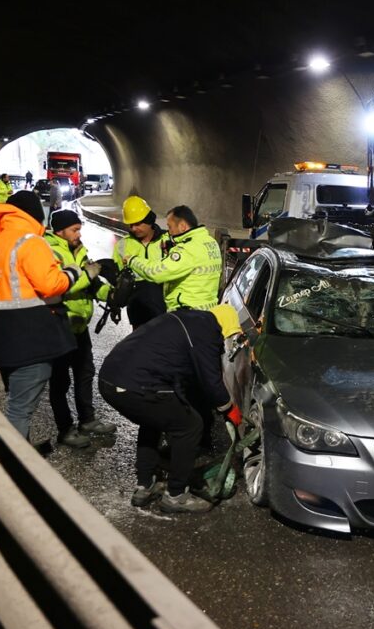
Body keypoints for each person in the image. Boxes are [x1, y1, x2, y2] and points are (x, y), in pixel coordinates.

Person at [0, 190, 101, 441]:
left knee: (16, 400)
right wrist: (75, 272)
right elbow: (50, 285)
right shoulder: (30, 242)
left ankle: (21, 453)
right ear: (34, 214)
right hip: (29, 338)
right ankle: (16, 468)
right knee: (19, 409)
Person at [98, 304, 243, 513]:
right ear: (223, 326)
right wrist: (229, 408)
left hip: (110, 378)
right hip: (136, 385)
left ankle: (144, 485)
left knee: (153, 420)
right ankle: (175, 495)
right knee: (190, 426)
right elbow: (211, 382)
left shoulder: (185, 318)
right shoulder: (207, 331)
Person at [45, 209, 117, 448]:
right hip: (59, 323)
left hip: (79, 325)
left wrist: (113, 295)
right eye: (74, 230)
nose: (78, 234)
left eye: (79, 229)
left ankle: (87, 420)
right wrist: (88, 273)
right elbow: (60, 287)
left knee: (85, 372)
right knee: (60, 381)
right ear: (60, 231)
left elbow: (92, 285)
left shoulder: (79, 250)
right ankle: (65, 430)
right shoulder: (50, 250)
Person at [124, 204, 221, 312]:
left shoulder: (187, 249)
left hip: (188, 314)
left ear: (182, 226)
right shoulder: (210, 241)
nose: (169, 232)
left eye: (170, 227)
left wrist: (132, 260)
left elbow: (155, 272)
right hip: (208, 311)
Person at [113, 195, 168, 328]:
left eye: (138, 224)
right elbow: (117, 278)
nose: (134, 228)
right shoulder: (122, 245)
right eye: (131, 225)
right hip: (137, 311)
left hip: (165, 310)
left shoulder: (167, 241)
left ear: (149, 221)